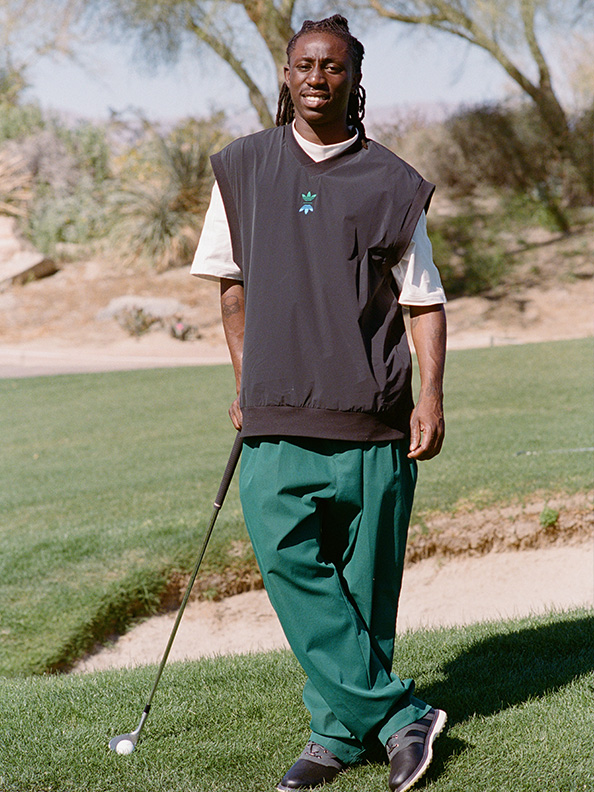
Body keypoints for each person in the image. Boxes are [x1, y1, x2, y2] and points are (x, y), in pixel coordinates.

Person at [192, 14, 448, 792]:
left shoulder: (393, 182)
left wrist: (430, 399)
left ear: (354, 79)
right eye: (304, 64)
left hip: (375, 421)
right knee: (288, 565)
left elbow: (424, 303)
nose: (316, 78)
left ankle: (332, 739)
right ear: (284, 74)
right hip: (274, 418)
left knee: (367, 595)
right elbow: (229, 291)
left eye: (332, 67)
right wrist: (244, 382)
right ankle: (403, 718)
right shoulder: (242, 167)